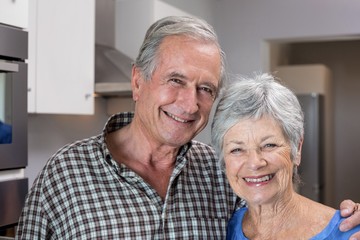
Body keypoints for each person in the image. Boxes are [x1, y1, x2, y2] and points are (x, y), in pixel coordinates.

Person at [16, 16, 360, 239]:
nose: (190, 104)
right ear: (138, 81)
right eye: (175, 80)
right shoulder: (64, 174)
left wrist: (347, 219)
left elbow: (276, 215)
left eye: (205, 89)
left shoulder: (219, 172)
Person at [211, 72, 360, 239]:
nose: (255, 163)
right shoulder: (221, 229)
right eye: (237, 149)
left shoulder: (349, 231)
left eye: (269, 145)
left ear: (297, 149)